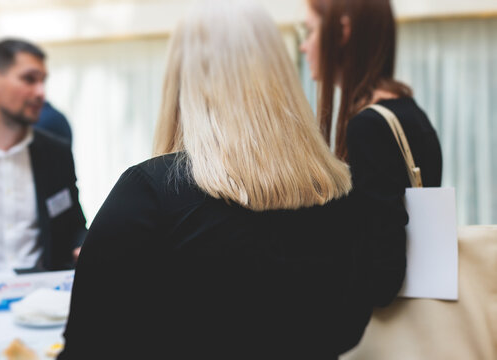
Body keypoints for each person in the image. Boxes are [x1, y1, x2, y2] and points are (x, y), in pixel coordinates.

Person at [59, 1, 372, 358]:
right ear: (282, 76)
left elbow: (87, 345)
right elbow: (350, 326)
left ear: (181, 79)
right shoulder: (340, 193)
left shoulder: (149, 193)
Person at [300, 0, 443, 307]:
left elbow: (383, 273)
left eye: (309, 31)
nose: (303, 46)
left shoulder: (369, 127)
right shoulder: (411, 113)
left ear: (343, 31)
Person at [0, 38, 87, 271]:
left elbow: (74, 226)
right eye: (29, 79)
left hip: (43, 296)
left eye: (42, 82)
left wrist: (84, 246)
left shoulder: (56, 153)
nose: (40, 93)